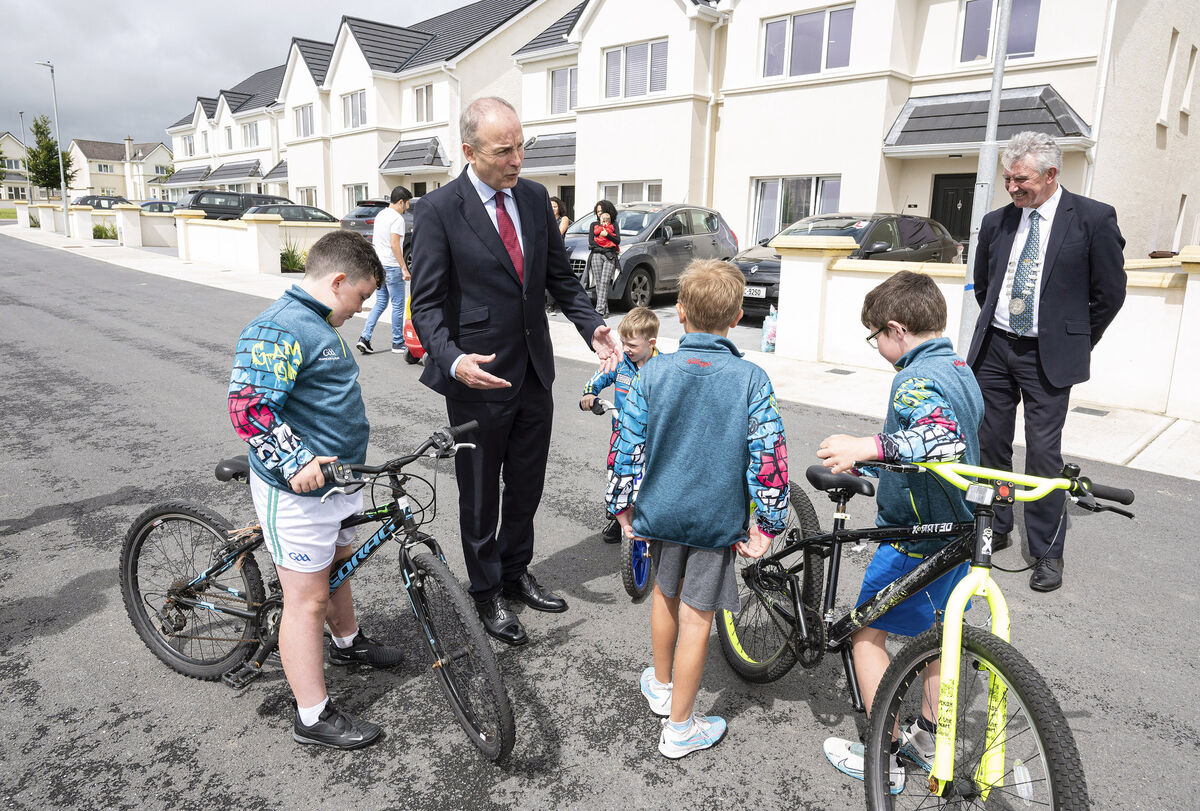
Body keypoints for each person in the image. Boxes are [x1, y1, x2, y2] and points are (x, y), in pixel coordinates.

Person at [409, 96, 620, 646]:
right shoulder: (436, 211)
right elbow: (426, 305)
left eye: (521, 146)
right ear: (469, 151)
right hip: (476, 379)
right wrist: (452, 360)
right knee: (480, 493)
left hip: (533, 372)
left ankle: (514, 570)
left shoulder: (531, 200)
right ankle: (484, 594)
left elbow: (560, 279)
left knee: (526, 484)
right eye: (505, 150)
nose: (518, 159)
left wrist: (590, 325)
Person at [607, 259, 789, 759]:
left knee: (665, 595)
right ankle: (681, 728)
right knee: (697, 618)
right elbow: (769, 457)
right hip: (714, 520)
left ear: (679, 314)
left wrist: (621, 507)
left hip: (660, 510)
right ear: (735, 319)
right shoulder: (751, 378)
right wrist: (769, 524)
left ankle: (662, 689)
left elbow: (626, 441)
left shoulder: (653, 372)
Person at [227, 230, 402, 750]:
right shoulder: (280, 327)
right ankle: (311, 715)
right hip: (299, 489)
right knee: (306, 599)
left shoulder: (319, 323)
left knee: (339, 560)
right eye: (363, 297)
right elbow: (248, 407)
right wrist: (295, 458)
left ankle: (346, 642)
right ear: (339, 280)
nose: (364, 307)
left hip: (337, 481)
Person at [816, 270, 984, 793]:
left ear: (896, 329)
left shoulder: (912, 378)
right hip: (958, 530)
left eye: (875, 337)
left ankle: (882, 754)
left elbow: (939, 437)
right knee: (938, 641)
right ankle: (930, 737)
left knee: (865, 635)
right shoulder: (960, 366)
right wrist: (882, 467)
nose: (877, 347)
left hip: (913, 535)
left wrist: (866, 448)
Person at [965, 131, 1126, 592]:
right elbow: (984, 286)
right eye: (1008, 180)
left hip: (1047, 356)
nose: (1013, 188)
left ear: (1051, 174)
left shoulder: (1092, 219)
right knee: (990, 444)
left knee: (1042, 455)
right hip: (996, 347)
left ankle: (1046, 551)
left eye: (1022, 180)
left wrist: (1072, 340)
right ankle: (994, 528)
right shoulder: (998, 222)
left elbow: (1109, 294)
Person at [580, 306, 660, 543]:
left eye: (632, 345)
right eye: (623, 342)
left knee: (652, 478)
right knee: (618, 474)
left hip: (652, 437)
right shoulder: (621, 362)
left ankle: (654, 521)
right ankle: (617, 518)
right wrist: (590, 395)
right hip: (622, 435)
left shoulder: (663, 367)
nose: (626, 349)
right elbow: (597, 379)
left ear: (651, 343)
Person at [356, 185, 412, 356]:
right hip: (392, 267)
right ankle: (398, 342)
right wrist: (404, 268)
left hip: (379, 265)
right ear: (401, 202)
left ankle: (364, 337)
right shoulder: (397, 218)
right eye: (408, 203)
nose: (408, 207)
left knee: (380, 303)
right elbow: (395, 244)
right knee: (398, 305)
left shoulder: (380, 215)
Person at [587, 199, 620, 318]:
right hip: (596, 255)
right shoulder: (594, 225)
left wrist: (608, 236)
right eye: (597, 212)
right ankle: (604, 310)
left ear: (608, 211)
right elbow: (591, 242)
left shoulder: (614, 225)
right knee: (599, 282)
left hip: (610, 256)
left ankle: (599, 309)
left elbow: (617, 241)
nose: (599, 213)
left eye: (601, 211)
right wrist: (604, 246)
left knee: (605, 282)